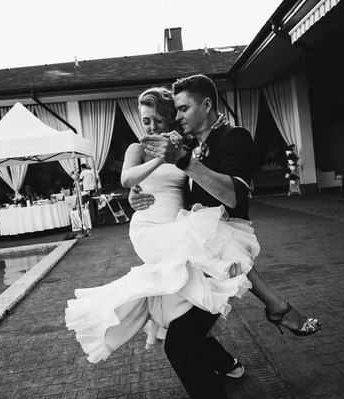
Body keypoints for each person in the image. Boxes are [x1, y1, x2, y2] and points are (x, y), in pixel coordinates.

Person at [66, 82, 319, 398]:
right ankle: (274, 306)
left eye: (169, 115)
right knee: (188, 292)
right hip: (167, 229)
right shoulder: (162, 148)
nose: (154, 125)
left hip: (190, 227)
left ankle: (234, 353)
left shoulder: (205, 142)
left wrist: (182, 162)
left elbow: (225, 191)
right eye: (146, 120)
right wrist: (136, 194)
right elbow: (133, 179)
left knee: (180, 311)